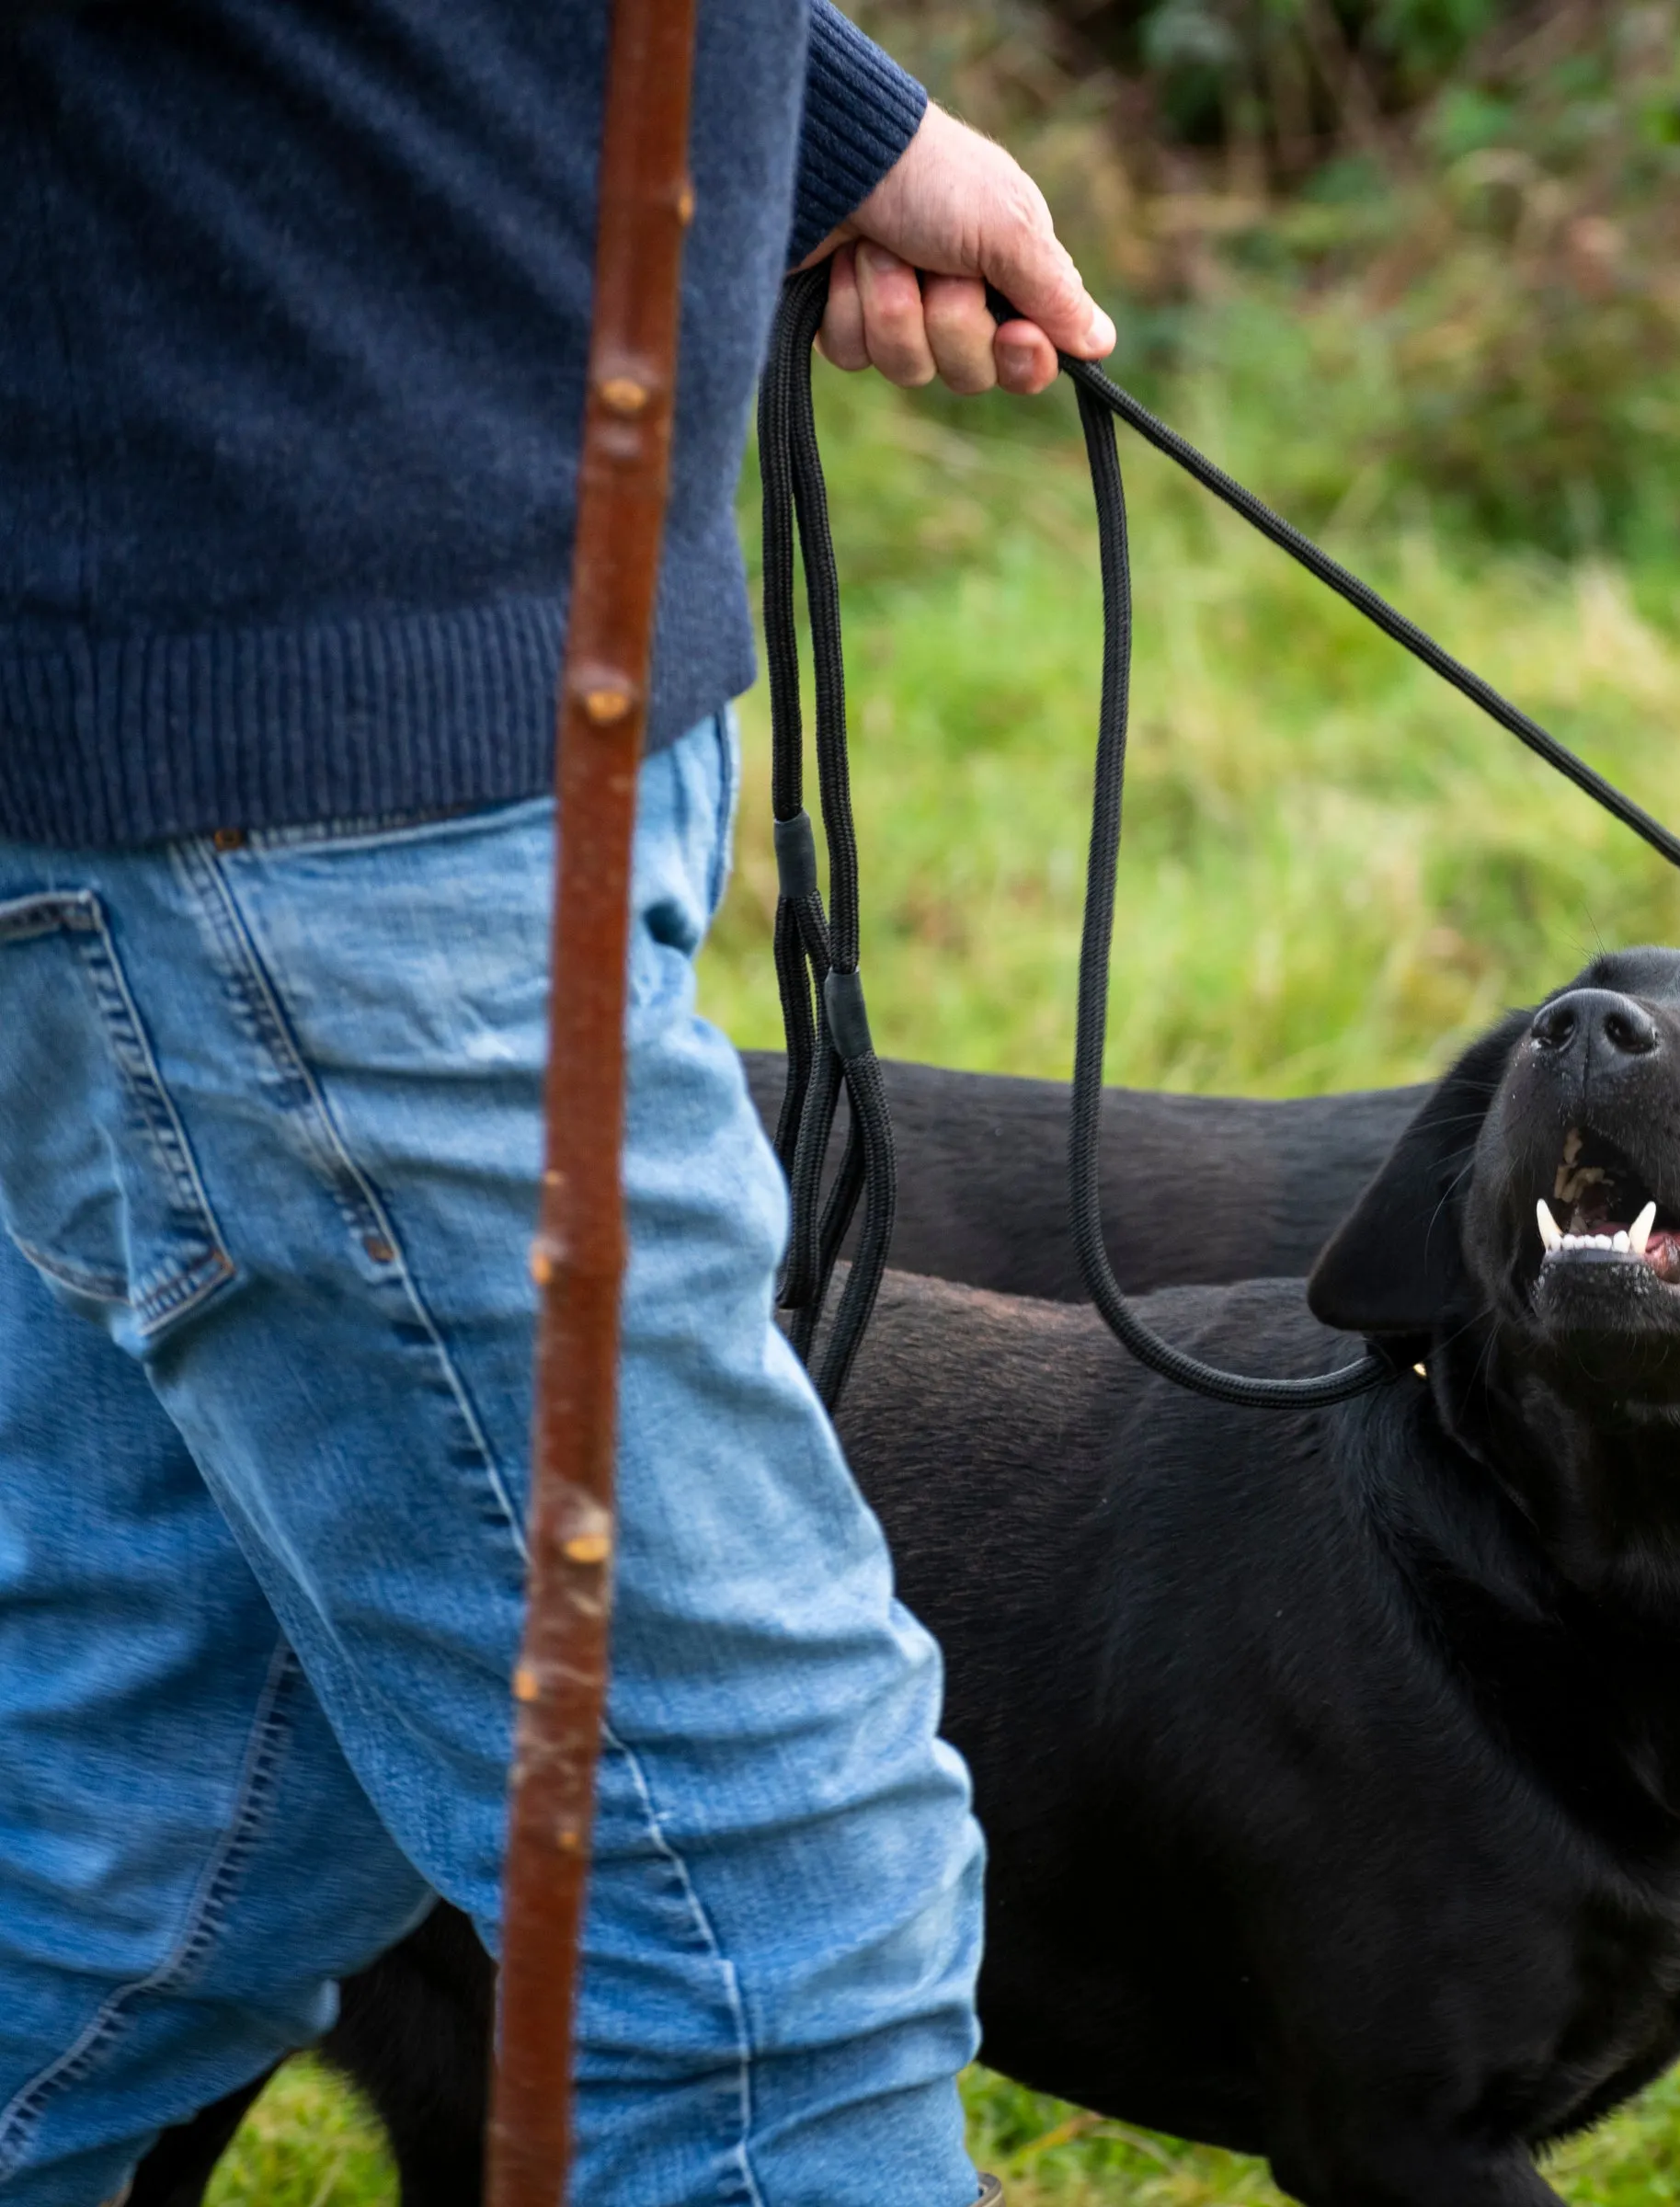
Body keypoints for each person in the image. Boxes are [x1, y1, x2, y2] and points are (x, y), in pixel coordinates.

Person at [0, 6, 1112, 2202]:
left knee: (146, 1835)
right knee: (775, 1942)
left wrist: (810, 109)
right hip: (303, 784)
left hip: (437, 726)